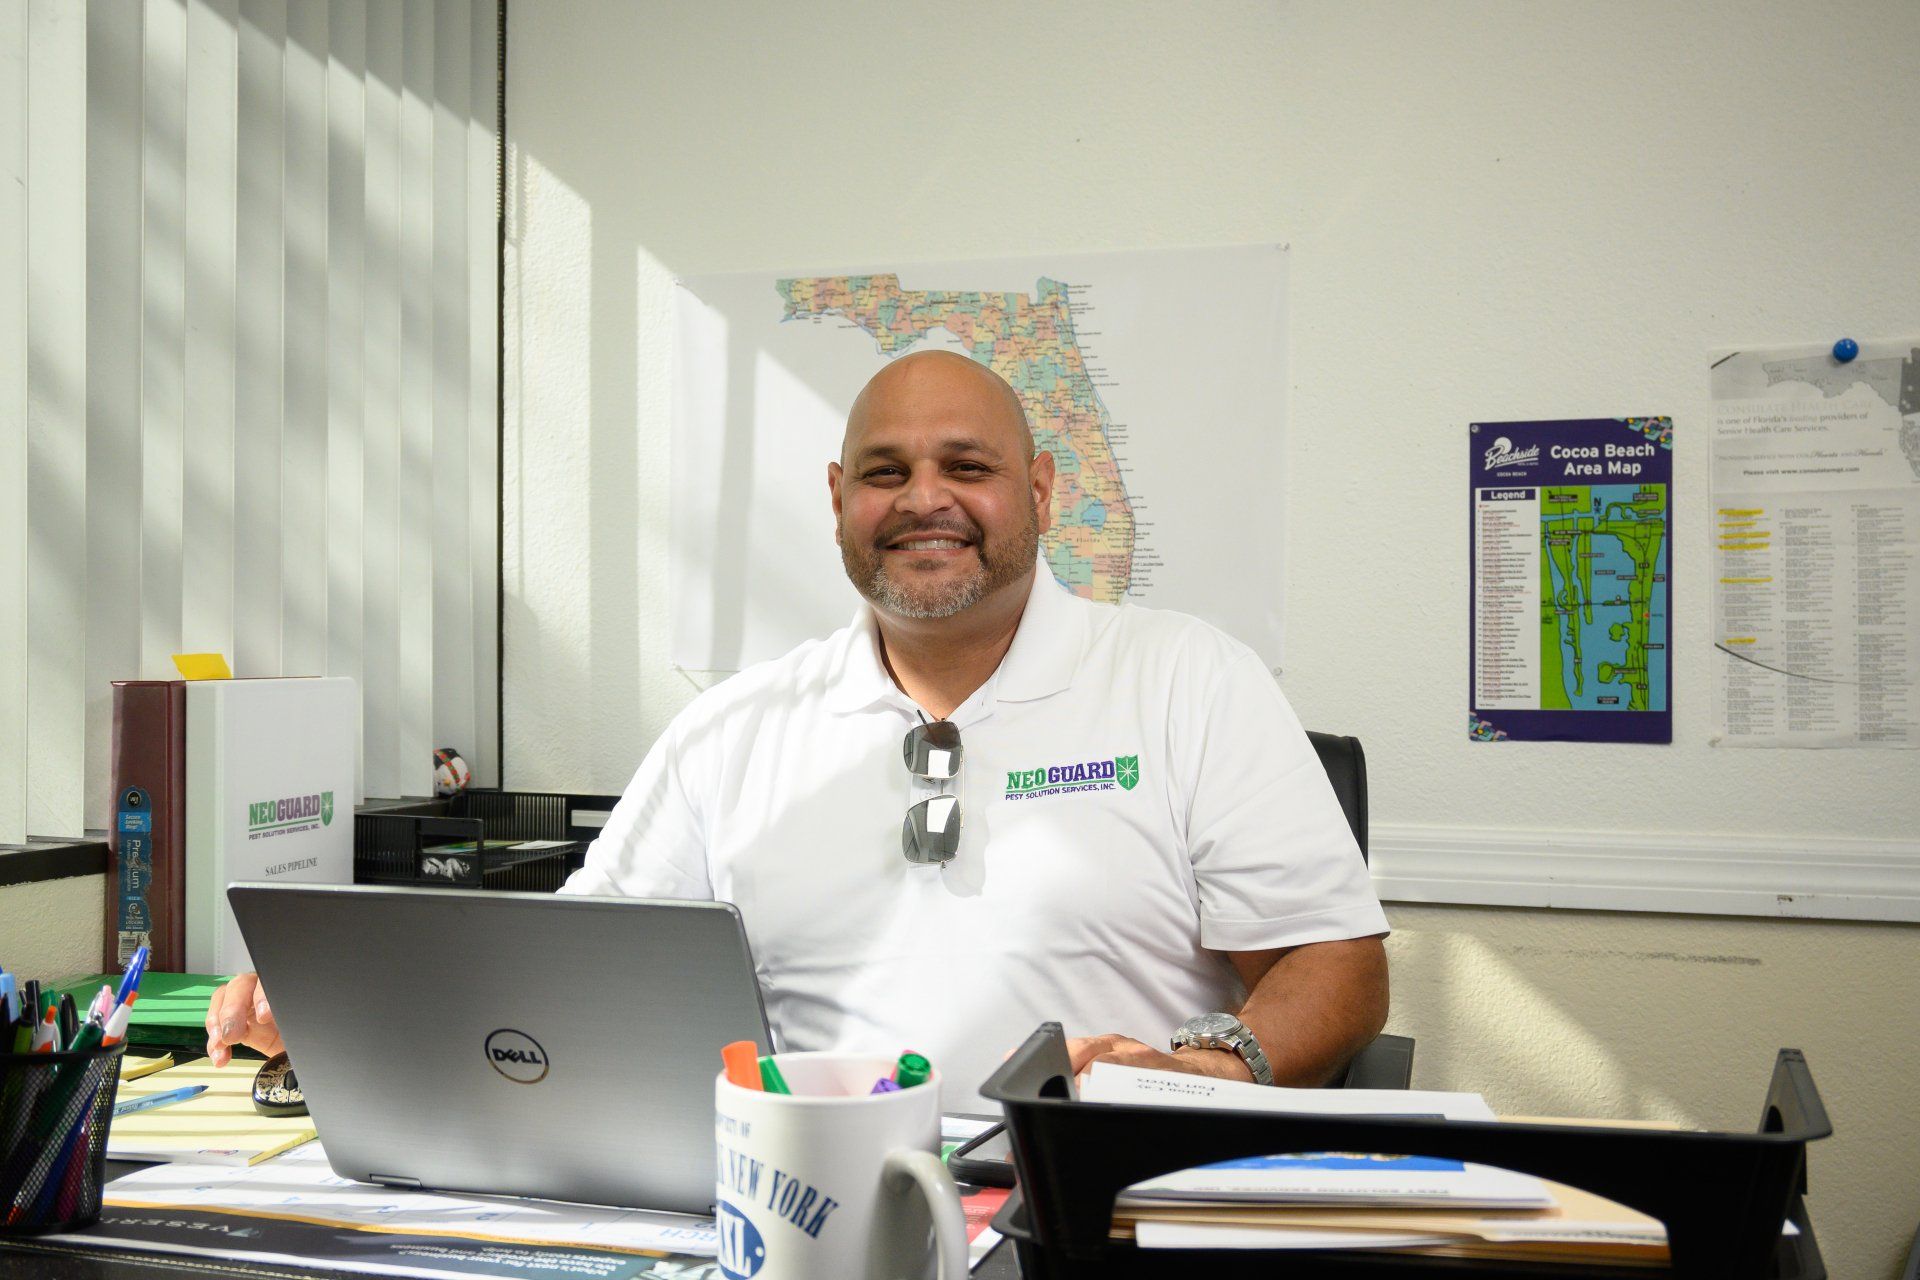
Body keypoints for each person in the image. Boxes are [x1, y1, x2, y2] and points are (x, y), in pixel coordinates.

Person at [208, 350, 1389, 1105]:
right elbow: (566, 979)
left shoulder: (1185, 679)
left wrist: (1203, 1068)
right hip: (799, 1204)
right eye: (886, 471)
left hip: (1076, 1203)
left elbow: (1335, 966)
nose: (924, 498)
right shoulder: (737, 727)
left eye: (966, 466)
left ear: (1038, 493)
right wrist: (347, 1011)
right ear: (839, 500)